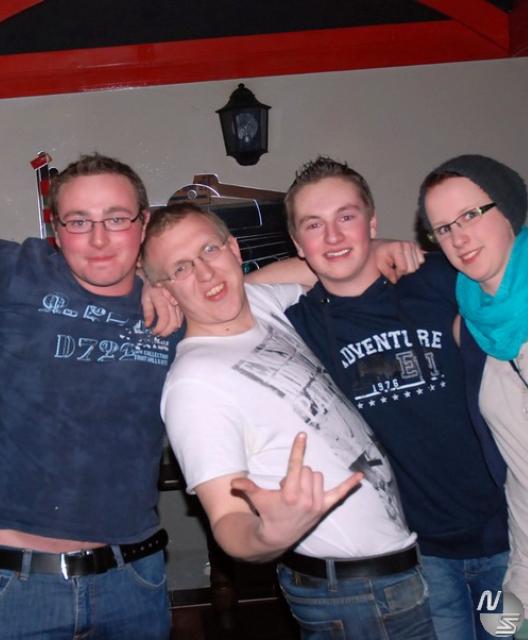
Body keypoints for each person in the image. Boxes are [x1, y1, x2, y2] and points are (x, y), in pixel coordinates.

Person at [141, 202, 436, 640]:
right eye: (181, 268)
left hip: (401, 566)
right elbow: (227, 519)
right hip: (353, 596)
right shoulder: (193, 384)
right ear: (165, 290)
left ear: (234, 249)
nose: (204, 274)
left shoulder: (264, 303)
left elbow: (323, 267)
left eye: (209, 250)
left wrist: (381, 246)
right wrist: (268, 534)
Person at [279, 156, 508, 640]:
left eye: (346, 217)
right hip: (418, 556)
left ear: (372, 222)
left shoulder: (440, 279)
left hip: (509, 533)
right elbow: (227, 290)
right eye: (314, 225)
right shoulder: (298, 323)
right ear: (298, 244)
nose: (333, 236)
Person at [0, 153, 177, 639]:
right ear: (56, 230)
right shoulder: (18, 270)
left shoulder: (175, 309)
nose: (99, 239)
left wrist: (155, 276)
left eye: (116, 219)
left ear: (143, 224)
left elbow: (274, 288)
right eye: (79, 222)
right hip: (14, 584)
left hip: (135, 581)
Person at [417, 154, 528, 621]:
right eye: (443, 228)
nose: (458, 238)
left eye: (470, 215)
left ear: (509, 207)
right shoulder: (471, 326)